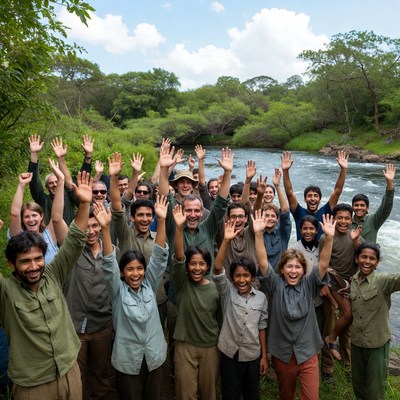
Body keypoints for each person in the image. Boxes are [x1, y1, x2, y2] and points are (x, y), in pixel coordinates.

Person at [1, 171, 92, 400]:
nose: (33, 266)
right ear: (12, 264)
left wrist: (84, 204)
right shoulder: (6, 293)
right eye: (25, 261)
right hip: (34, 385)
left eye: (38, 259)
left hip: (70, 372)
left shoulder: (53, 274)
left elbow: (75, 239)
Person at [258, 213, 336, 400]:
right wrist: (258, 234)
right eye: (289, 267)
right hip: (283, 354)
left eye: (297, 267)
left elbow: (323, 263)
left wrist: (330, 238)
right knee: (286, 395)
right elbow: (262, 262)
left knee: (311, 397)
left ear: (303, 270)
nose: (293, 271)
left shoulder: (310, 284)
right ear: (282, 269)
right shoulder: (275, 284)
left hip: (308, 352)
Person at [100, 195, 169, 400]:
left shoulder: (149, 284)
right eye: (129, 270)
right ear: (122, 273)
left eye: (140, 269)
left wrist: (162, 220)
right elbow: (108, 263)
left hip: (154, 357)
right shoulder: (117, 291)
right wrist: (105, 229)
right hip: (128, 361)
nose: (136, 274)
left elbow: (159, 256)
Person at [213, 215, 268, 400]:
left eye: (246, 276)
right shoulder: (227, 291)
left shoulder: (261, 298)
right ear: (232, 277)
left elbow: (262, 327)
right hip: (229, 353)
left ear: (253, 278)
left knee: (252, 394)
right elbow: (217, 269)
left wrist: (264, 356)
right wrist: (226, 241)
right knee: (230, 393)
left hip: (252, 355)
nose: (242, 280)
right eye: (237, 276)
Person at [171, 204, 221, 400]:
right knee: (185, 392)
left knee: (208, 392)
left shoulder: (216, 286)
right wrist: (178, 227)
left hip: (210, 346)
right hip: (185, 345)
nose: (197, 268)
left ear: (208, 265)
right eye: (193, 264)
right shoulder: (182, 283)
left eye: (201, 264)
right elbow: (179, 257)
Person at [350, 242, 400, 400]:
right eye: (363, 257)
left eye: (372, 258)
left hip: (376, 345)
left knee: (375, 390)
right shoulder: (352, 281)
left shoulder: (382, 280)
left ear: (377, 262)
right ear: (357, 259)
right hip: (356, 343)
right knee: (358, 385)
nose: (367, 261)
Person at [321, 203, 362, 364]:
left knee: (347, 324)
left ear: (351, 220)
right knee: (345, 315)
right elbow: (322, 263)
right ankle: (330, 344)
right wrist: (324, 285)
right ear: (334, 219)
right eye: (340, 218)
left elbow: (362, 259)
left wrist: (356, 240)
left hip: (350, 285)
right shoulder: (326, 237)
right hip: (333, 284)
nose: (343, 221)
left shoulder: (354, 236)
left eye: (347, 218)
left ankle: (347, 363)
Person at [281, 150, 349, 239]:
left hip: (321, 252)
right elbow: (289, 193)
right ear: (305, 199)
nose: (312, 199)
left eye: (316, 196)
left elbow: (337, 191)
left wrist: (343, 169)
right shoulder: (299, 213)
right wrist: (285, 171)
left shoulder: (326, 212)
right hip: (302, 252)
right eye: (309, 196)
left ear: (320, 199)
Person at [9, 166, 58, 264]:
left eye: (34, 215)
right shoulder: (18, 236)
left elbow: (57, 214)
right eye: (26, 216)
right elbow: (15, 213)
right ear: (22, 220)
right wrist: (21, 185)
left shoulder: (49, 235)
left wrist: (60, 182)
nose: (31, 219)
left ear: (41, 217)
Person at [27, 135, 78, 225]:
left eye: (56, 181)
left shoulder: (69, 197)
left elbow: (69, 184)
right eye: (51, 183)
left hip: (69, 238)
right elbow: (34, 183)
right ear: (46, 187)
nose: (54, 184)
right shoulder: (43, 200)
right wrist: (34, 154)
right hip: (49, 238)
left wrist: (61, 159)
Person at [350, 163, 396, 243]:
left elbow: (386, 207)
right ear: (352, 207)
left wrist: (389, 183)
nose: (359, 208)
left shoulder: (374, 220)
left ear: (367, 208)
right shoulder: (347, 222)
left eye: (362, 205)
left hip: (368, 255)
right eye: (356, 205)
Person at [258, 169, 292, 271]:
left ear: (277, 219)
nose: (269, 218)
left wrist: (277, 186)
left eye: (273, 216)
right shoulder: (257, 234)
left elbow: (285, 211)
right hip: (260, 278)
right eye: (266, 216)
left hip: (279, 277)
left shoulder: (282, 233)